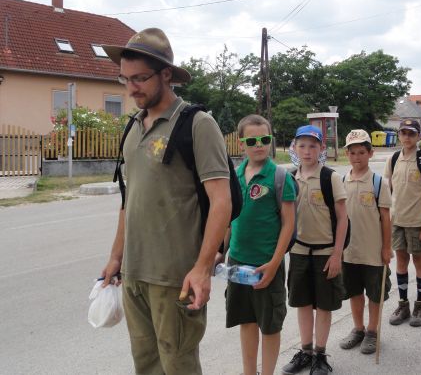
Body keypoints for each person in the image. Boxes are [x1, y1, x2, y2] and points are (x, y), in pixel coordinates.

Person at [99, 28, 232, 374]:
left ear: (166, 74)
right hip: (133, 273)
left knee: (178, 365)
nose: (131, 88)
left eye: (140, 78)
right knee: (145, 365)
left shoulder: (198, 125)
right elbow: (130, 200)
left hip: (177, 277)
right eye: (124, 79)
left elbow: (222, 201)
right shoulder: (132, 127)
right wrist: (116, 257)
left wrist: (203, 269)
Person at [224, 114, 296, 375]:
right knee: (246, 321)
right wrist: (221, 256)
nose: (259, 145)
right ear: (241, 143)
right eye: (252, 140)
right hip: (238, 263)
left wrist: (275, 263)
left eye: (264, 139)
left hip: (267, 263)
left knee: (270, 325)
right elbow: (229, 221)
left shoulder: (279, 176)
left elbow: (288, 225)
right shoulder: (234, 176)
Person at [282, 125, 348, 375]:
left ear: (321, 148)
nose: (307, 151)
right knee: (302, 304)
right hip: (298, 251)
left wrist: (336, 255)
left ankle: (320, 355)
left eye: (312, 146)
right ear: (294, 148)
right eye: (302, 145)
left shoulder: (329, 177)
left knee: (324, 306)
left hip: (325, 253)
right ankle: (306, 352)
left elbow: (343, 219)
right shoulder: (289, 177)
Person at [339, 130, 392, 354]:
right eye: (352, 152)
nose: (357, 157)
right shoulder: (341, 181)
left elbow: (386, 218)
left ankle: (372, 331)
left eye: (362, 152)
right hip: (349, 252)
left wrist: (387, 247)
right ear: (346, 154)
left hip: (373, 252)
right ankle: (358, 328)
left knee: (374, 293)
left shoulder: (379, 183)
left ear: (371, 153)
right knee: (354, 292)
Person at [384, 120, 421, 327]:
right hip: (397, 220)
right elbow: (389, 192)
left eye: (411, 133)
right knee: (401, 261)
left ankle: (420, 305)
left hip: (417, 221)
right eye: (403, 133)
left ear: (418, 136)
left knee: (419, 261)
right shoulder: (393, 158)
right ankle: (403, 304)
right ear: (399, 135)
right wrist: (386, 220)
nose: (407, 137)